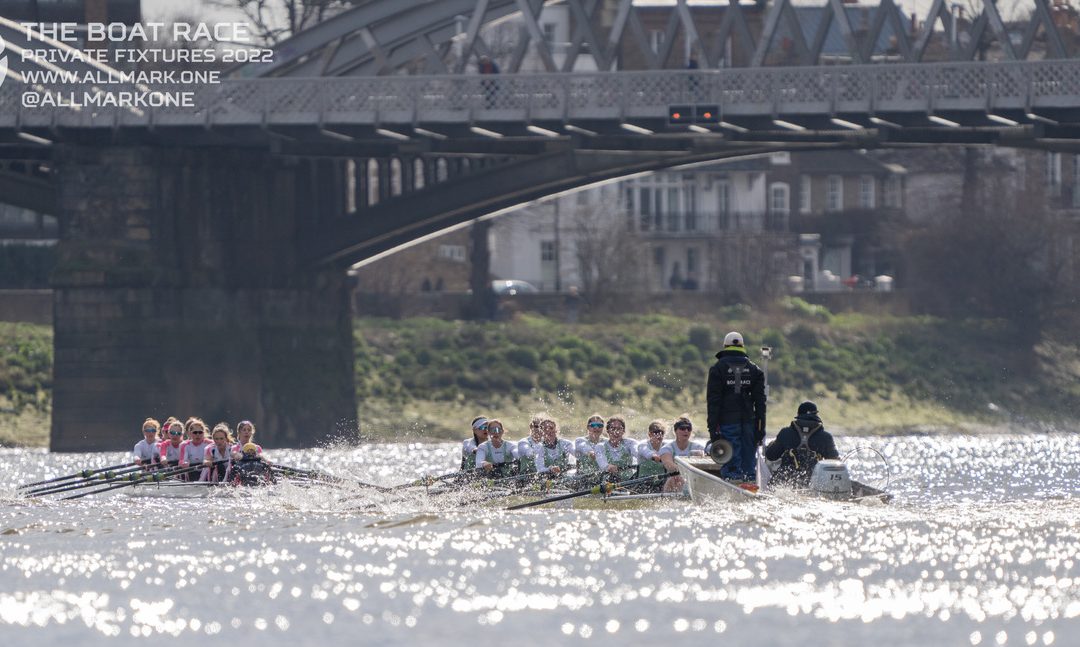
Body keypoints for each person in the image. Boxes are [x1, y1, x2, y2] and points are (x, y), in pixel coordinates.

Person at [706, 331, 766, 482]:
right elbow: (760, 404)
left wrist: (713, 430)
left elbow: (713, 402)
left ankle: (733, 481)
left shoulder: (717, 369)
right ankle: (750, 481)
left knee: (731, 459)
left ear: (725, 346)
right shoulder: (755, 370)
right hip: (749, 422)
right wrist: (760, 429)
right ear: (743, 346)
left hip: (727, 422)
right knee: (748, 460)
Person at [764, 401, 839, 487]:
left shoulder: (785, 433)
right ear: (816, 415)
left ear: (798, 414)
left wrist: (771, 445)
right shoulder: (826, 437)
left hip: (784, 482)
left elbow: (771, 455)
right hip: (814, 484)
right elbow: (834, 463)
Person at [659, 414, 707, 492]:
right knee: (675, 479)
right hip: (674, 480)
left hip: (694, 480)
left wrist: (703, 456)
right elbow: (669, 465)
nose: (686, 431)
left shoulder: (698, 448)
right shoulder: (667, 448)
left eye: (689, 428)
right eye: (682, 428)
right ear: (675, 431)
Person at [595, 415, 637, 481]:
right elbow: (601, 462)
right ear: (608, 431)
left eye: (619, 429)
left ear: (623, 431)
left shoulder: (630, 443)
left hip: (628, 481)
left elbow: (637, 452)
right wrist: (607, 467)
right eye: (613, 429)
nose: (616, 432)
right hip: (608, 483)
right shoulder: (600, 446)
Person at [635, 420, 670, 489]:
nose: (659, 435)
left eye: (661, 433)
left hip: (661, 483)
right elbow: (646, 452)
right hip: (643, 483)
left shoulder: (667, 446)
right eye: (656, 432)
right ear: (650, 434)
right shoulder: (642, 445)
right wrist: (654, 456)